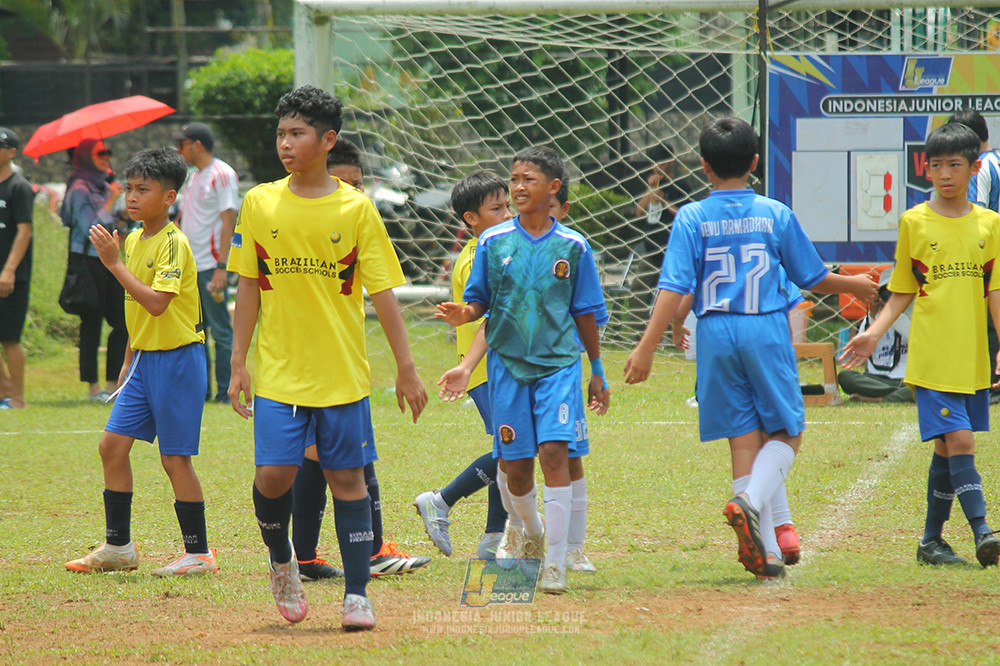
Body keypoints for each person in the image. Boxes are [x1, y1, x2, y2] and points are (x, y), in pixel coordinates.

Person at [623, 117, 877, 580]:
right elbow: (812, 278)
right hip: (763, 326)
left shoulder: (691, 217)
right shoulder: (775, 213)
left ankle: (766, 555)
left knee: (743, 439)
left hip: (714, 332)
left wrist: (645, 348)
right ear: (755, 162)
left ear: (703, 167)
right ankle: (750, 502)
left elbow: (672, 286)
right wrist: (855, 283)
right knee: (788, 430)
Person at [228, 85, 428, 630]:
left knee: (348, 482)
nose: (285, 144)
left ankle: (357, 595)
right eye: (281, 134)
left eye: (296, 134)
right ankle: (282, 560)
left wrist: (406, 368)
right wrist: (238, 360)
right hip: (278, 373)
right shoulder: (260, 202)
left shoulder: (356, 208)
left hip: (341, 375)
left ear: (327, 140)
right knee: (273, 476)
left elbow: (384, 293)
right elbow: (248, 285)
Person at [436, 146, 610, 595]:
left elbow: (587, 313)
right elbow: (482, 305)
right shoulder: (493, 244)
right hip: (508, 372)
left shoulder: (574, 246)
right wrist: (464, 314)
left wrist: (597, 370)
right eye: (513, 179)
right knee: (515, 469)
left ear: (552, 188)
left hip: (559, 368)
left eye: (527, 179)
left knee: (556, 454)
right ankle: (530, 531)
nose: (517, 187)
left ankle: (555, 561)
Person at [842, 121, 1000, 568]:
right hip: (931, 358)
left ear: (974, 168)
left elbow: (995, 292)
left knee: (946, 448)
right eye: (936, 165)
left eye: (955, 164)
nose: (946, 174)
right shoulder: (914, 221)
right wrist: (873, 332)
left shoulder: (990, 224)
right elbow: (904, 289)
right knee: (963, 441)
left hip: (972, 358)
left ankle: (931, 542)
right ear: (924, 169)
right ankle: (983, 531)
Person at [64, 148, 217, 577]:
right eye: (128, 188)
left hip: (179, 361)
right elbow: (135, 311)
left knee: (174, 459)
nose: (131, 197)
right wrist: (129, 358)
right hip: (145, 362)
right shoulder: (133, 239)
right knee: (111, 447)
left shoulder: (174, 243)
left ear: (169, 197)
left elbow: (154, 304)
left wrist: (113, 265)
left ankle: (199, 552)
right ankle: (119, 547)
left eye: (142, 189)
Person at [291, 137, 431, 582]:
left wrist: (404, 366)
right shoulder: (291, 216)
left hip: (343, 358)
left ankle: (307, 555)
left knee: (322, 453)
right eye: (342, 183)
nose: (351, 192)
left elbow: (382, 293)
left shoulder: (355, 219)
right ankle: (365, 551)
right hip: (306, 361)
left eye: (358, 184)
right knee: (337, 456)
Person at [415, 169, 512, 560]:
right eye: (496, 208)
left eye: (508, 205)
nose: (507, 214)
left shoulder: (494, 247)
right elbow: (493, 312)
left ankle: (492, 537)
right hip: (486, 367)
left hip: (497, 365)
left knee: (508, 447)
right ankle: (441, 500)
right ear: (471, 218)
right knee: (513, 449)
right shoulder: (477, 258)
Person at [174, 122, 239, 404]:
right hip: (191, 267)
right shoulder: (192, 177)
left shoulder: (222, 174)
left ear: (197, 145)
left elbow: (229, 221)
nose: (180, 150)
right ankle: (201, 391)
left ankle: (225, 391)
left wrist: (223, 267)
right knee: (197, 331)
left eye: (183, 144)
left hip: (212, 266)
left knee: (220, 329)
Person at [59, 138, 127, 401]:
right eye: (100, 153)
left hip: (110, 260)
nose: (106, 156)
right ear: (86, 156)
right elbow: (91, 230)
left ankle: (112, 385)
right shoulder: (79, 188)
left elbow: (115, 221)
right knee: (91, 323)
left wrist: (119, 203)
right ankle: (93, 389)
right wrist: (110, 201)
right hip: (88, 261)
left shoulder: (103, 182)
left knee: (121, 322)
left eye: (109, 151)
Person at [948, 111, 1000, 400]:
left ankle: (993, 382)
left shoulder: (978, 169)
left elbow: (976, 212)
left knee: (990, 317)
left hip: (991, 250)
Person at [631, 144, 689, 322]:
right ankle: (637, 332)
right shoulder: (653, 183)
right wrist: (650, 191)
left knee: (671, 293)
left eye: (661, 163)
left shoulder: (681, 185)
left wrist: (663, 200)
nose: (657, 167)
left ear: (670, 162)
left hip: (671, 249)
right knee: (638, 290)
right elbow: (639, 212)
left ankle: (672, 335)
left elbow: (682, 213)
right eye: (653, 163)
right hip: (651, 247)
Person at [837, 269, 913, 403]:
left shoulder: (914, 315)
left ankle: (881, 399)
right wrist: (873, 313)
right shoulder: (871, 320)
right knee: (845, 377)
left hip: (906, 378)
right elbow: (864, 348)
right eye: (887, 293)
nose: (892, 298)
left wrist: (894, 312)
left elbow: (914, 339)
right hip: (877, 379)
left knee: (924, 386)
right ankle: (896, 396)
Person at [0, 128, 35, 410]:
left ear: (12, 152)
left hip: (11, 276)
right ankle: (4, 391)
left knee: (9, 337)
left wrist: (9, 270)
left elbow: (24, 232)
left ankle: (19, 398)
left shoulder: (18, 186)